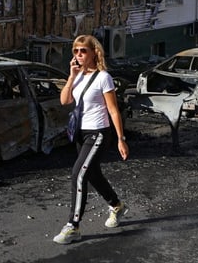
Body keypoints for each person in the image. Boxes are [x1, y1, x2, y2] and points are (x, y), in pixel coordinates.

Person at [53, 34, 130, 245]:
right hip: (81, 133)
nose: (78, 55)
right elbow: (64, 100)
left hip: (98, 133)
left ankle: (73, 226)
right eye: (75, 51)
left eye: (83, 51)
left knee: (78, 174)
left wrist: (120, 139)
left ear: (94, 52)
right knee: (93, 174)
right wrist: (71, 76)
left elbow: (113, 110)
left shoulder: (104, 77)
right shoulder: (77, 75)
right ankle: (117, 205)